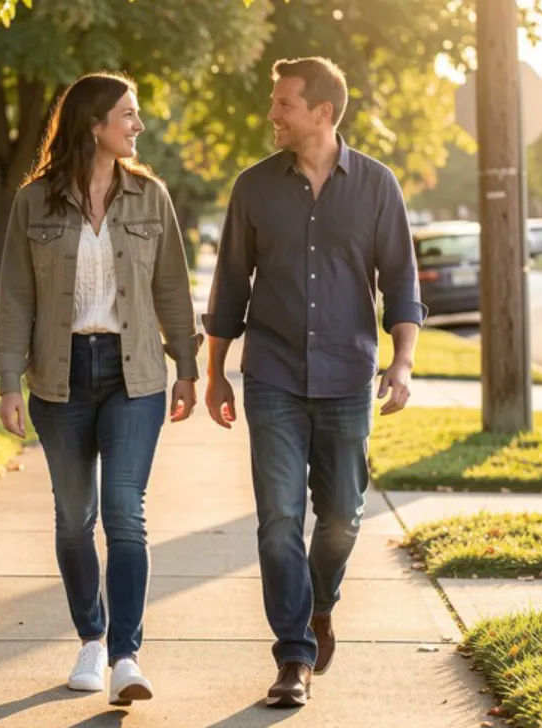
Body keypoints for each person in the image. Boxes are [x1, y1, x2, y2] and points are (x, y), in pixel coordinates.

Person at [202, 57, 426, 708]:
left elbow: (402, 284)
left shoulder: (378, 187)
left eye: (284, 104)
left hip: (349, 373)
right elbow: (228, 288)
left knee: (341, 521)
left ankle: (320, 602)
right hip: (270, 373)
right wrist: (216, 374)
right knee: (278, 522)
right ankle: (293, 655)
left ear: (322, 114)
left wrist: (402, 362)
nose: (272, 114)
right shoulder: (252, 188)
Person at [0, 71, 201, 707]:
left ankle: (126, 656)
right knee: (75, 518)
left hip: (134, 374)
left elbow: (171, 289)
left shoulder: (150, 197)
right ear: (93, 124)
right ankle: (91, 638)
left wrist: (187, 367)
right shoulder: (34, 202)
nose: (137, 125)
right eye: (128, 115)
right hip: (60, 375)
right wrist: (7, 381)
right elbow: (15, 296)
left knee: (125, 514)